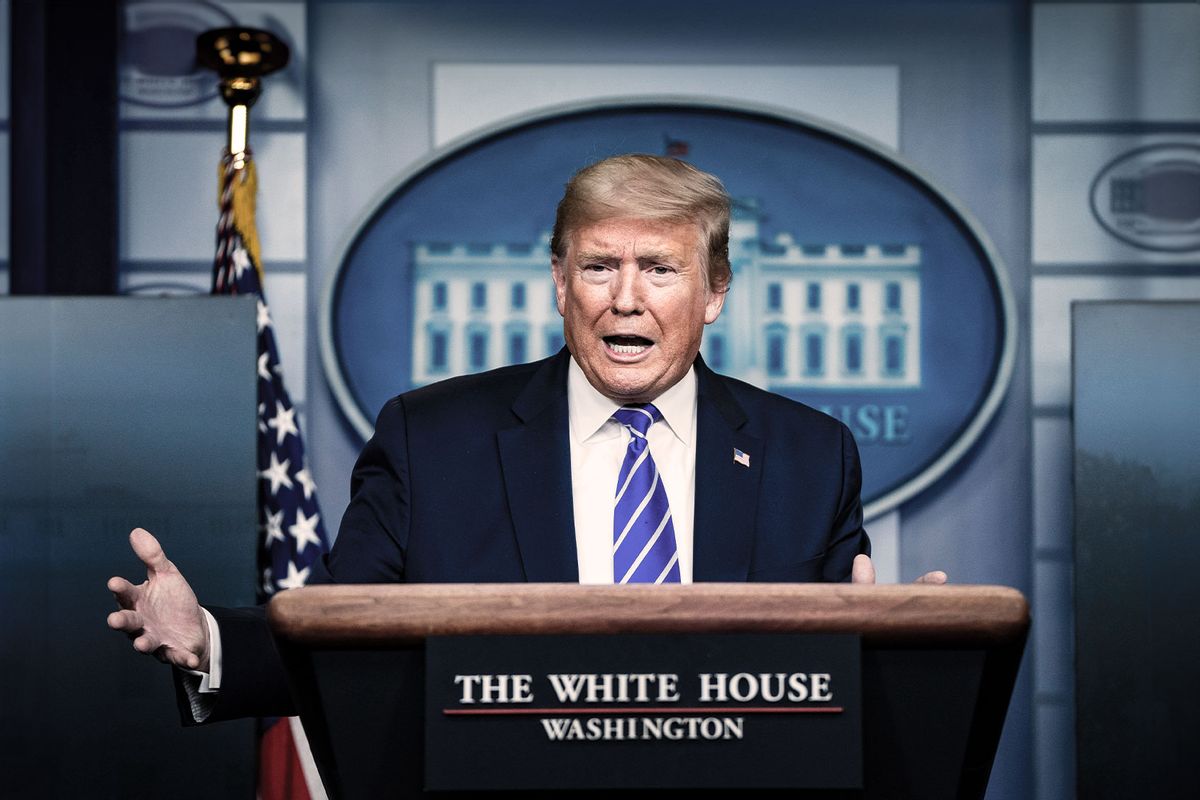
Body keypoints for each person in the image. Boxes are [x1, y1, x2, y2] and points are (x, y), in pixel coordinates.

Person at [107, 154, 944, 721]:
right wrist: (207, 640)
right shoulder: (432, 438)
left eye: (660, 268)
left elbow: (834, 686)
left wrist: (914, 653)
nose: (625, 298)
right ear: (557, 280)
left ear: (715, 291)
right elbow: (341, 631)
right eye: (597, 266)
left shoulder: (810, 453)